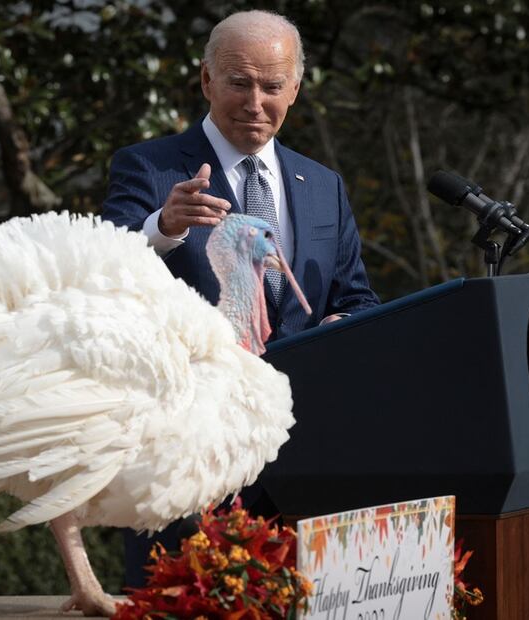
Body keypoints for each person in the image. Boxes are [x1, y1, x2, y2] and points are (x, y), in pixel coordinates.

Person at [101, 9, 379, 587]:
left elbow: (358, 298)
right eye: (239, 82)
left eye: (273, 86)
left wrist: (344, 323)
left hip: (306, 460)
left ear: (295, 90)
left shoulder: (323, 185)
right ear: (206, 81)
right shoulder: (148, 167)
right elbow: (101, 273)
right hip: (189, 460)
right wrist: (163, 227)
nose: (256, 101)